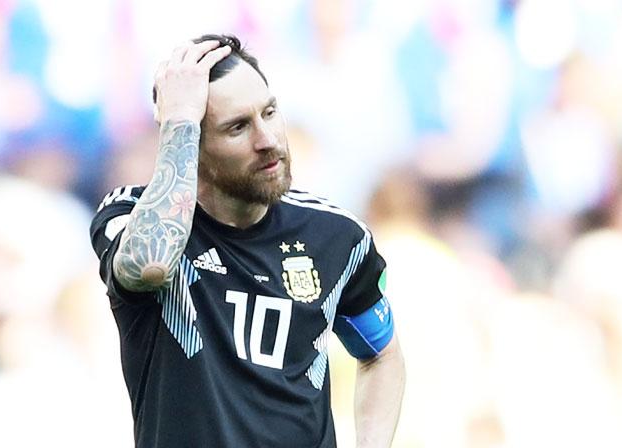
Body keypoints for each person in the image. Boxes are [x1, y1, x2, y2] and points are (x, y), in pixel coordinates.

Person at [89, 34, 405, 448]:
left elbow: (381, 354)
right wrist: (180, 120)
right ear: (191, 148)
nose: (268, 140)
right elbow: (151, 265)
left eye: (270, 113)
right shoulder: (132, 217)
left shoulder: (336, 236)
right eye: (238, 127)